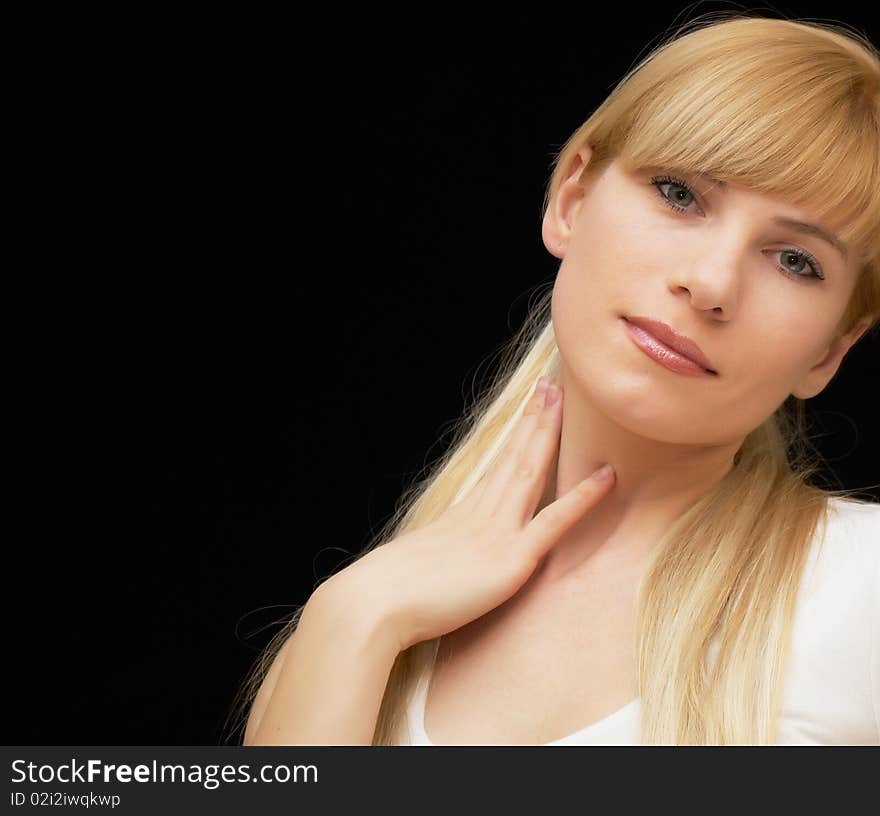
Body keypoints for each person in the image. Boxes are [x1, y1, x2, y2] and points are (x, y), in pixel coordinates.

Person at [229, 11, 880, 746]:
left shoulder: (866, 591)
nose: (711, 283)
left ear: (830, 351)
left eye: (796, 261)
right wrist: (352, 619)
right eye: (679, 194)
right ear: (571, 198)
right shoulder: (358, 618)